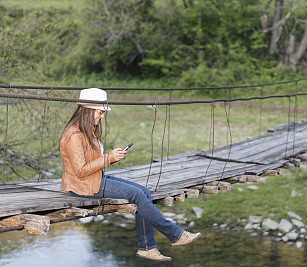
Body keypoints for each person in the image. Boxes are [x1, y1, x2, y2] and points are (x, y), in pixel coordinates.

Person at [59, 88, 201, 262]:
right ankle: (175, 234)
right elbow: (80, 171)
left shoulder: (88, 128)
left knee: (144, 192)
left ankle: (147, 248)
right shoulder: (74, 134)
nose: (102, 115)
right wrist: (108, 158)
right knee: (136, 194)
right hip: (82, 185)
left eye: (103, 112)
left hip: (93, 179)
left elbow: (92, 163)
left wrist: (110, 159)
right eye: (100, 111)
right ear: (87, 109)